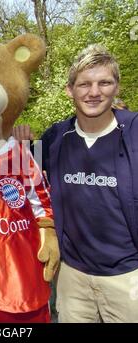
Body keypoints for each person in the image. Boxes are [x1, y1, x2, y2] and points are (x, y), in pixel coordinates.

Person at [41, 44, 138, 322]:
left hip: (128, 277)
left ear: (116, 87)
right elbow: (18, 173)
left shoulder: (133, 132)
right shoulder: (55, 138)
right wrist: (21, 139)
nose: (94, 92)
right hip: (73, 278)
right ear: (70, 90)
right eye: (84, 84)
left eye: (104, 82)